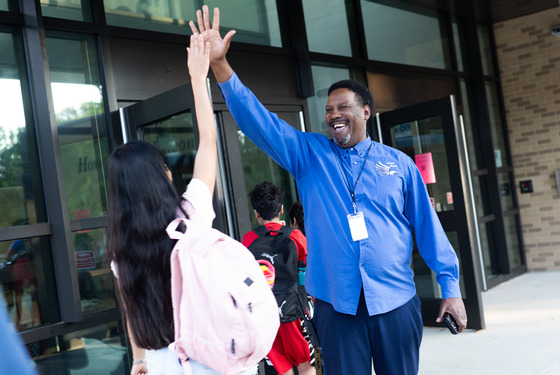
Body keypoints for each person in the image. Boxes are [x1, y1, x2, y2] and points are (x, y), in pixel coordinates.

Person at [189, 6, 467, 375]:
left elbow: (428, 229)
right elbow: (258, 121)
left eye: (344, 107)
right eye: (329, 109)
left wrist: (451, 288)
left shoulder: (398, 164)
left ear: (366, 111)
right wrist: (221, 67)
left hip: (395, 302)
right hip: (338, 309)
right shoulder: (309, 155)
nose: (334, 114)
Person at [108, 35, 256, 375]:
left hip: (162, 362)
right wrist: (197, 77)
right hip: (212, 356)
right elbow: (208, 142)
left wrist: (140, 358)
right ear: (162, 176)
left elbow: (132, 309)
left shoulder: (122, 247)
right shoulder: (190, 215)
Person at [242, 182, 314, 375]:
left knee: (282, 367)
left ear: (256, 213)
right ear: (282, 209)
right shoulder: (296, 236)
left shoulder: (248, 240)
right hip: (294, 311)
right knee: (305, 363)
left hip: (264, 314)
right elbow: (310, 270)